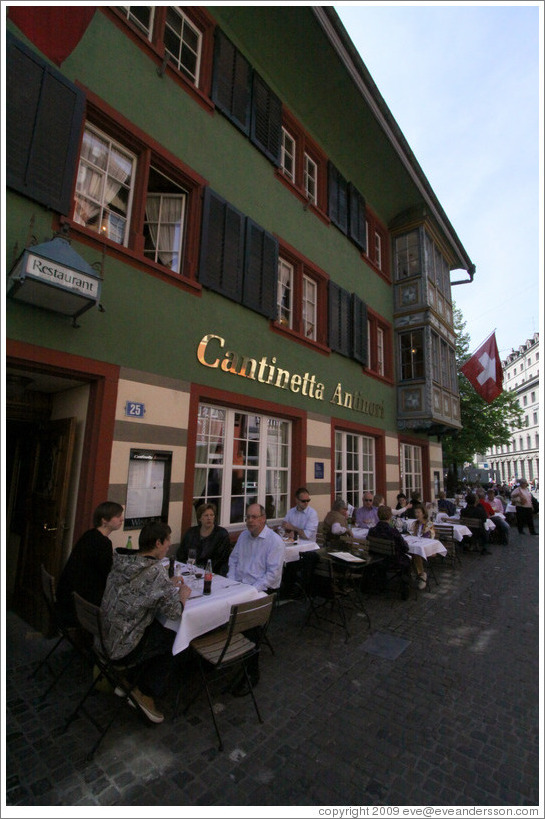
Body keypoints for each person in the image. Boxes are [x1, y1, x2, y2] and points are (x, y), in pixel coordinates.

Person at [100, 521, 191, 724]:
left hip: (105, 636)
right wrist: (183, 596)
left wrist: (167, 584)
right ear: (158, 543)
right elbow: (175, 611)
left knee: (158, 626)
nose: (169, 545)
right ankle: (145, 692)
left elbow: (140, 590)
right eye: (167, 541)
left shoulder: (123, 559)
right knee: (172, 633)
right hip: (123, 647)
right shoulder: (155, 572)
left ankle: (130, 679)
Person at [227, 503, 285, 694]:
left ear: (263, 518)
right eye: (248, 517)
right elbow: (233, 560)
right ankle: (225, 657)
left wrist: (250, 591)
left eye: (254, 517)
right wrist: (233, 582)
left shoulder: (274, 542)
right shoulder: (244, 536)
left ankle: (252, 673)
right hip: (239, 586)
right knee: (219, 609)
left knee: (248, 625)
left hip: (262, 592)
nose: (250, 521)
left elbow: (272, 576)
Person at [56, 501, 124, 629]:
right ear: (104, 520)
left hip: (69, 595)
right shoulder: (103, 543)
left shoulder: (90, 534)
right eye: (117, 516)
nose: (122, 519)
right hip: (80, 603)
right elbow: (107, 575)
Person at [367, 506, 411, 599]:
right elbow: (404, 548)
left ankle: (381, 583)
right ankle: (404, 589)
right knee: (407, 560)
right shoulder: (393, 531)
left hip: (377, 559)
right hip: (393, 561)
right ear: (390, 516)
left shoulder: (372, 531)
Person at [176, 502, 231, 575]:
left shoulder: (221, 534)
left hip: (212, 573)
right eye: (206, 515)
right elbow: (181, 554)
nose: (209, 518)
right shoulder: (191, 532)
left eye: (211, 515)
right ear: (200, 518)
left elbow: (221, 560)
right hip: (189, 570)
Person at [409, 504, 435, 589]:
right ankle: (417, 573)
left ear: (423, 513)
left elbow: (431, 537)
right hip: (418, 546)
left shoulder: (429, 524)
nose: (416, 514)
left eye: (418, 512)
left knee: (416, 553)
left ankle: (422, 575)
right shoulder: (415, 523)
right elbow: (412, 534)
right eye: (415, 512)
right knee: (410, 552)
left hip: (429, 548)